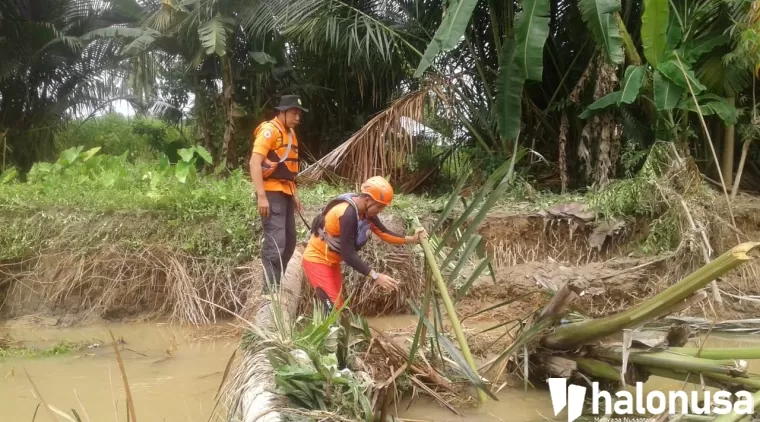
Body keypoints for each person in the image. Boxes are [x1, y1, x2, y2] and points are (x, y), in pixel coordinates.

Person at [302, 176, 427, 313]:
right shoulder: (347, 213)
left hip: (332, 262)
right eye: (379, 207)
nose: (380, 211)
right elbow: (348, 254)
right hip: (317, 260)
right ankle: (326, 333)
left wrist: (412, 239)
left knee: (339, 305)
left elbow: (384, 233)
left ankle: (336, 332)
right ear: (367, 200)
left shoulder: (365, 213)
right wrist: (375, 276)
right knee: (332, 308)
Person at [250, 94, 307, 295]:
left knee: (290, 242)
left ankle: (275, 282)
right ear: (282, 112)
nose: (297, 117)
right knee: (276, 244)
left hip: (286, 192)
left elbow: (288, 170)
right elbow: (254, 163)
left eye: (299, 113)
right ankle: (270, 293)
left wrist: (295, 194)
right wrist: (262, 196)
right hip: (271, 193)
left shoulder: (291, 134)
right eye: (294, 112)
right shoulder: (269, 131)